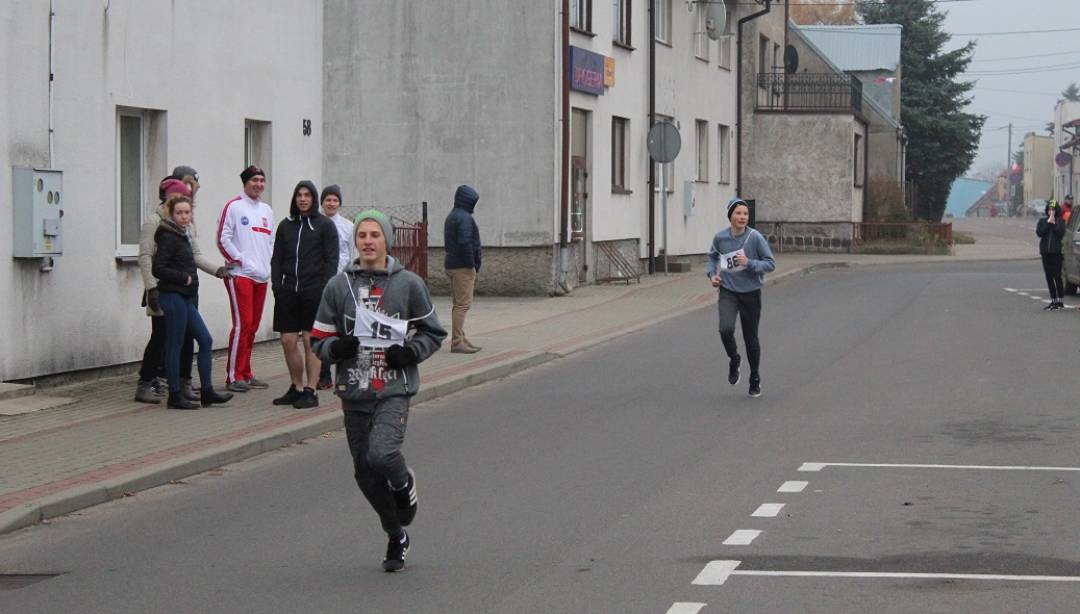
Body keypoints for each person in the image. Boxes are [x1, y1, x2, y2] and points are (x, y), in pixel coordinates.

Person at [312, 209, 446, 572]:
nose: (368, 242)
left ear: (387, 240)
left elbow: (433, 332)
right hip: (354, 391)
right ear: (355, 242)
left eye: (374, 235)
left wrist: (410, 353)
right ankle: (396, 534)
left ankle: (404, 486)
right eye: (362, 236)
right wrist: (335, 350)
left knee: (383, 454)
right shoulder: (339, 286)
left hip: (392, 388)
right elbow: (319, 338)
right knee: (365, 474)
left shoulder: (408, 284)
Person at [152, 195, 234, 409]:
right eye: (179, 212)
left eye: (187, 212)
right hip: (172, 295)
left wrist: (215, 271)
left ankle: (207, 391)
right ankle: (175, 395)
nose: (184, 216)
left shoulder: (183, 234)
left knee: (205, 340)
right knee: (175, 345)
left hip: (185, 296)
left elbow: (192, 260)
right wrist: (183, 278)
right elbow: (157, 268)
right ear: (171, 213)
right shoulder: (167, 235)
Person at [269, 181, 339, 409]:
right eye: (299, 195)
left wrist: (324, 288)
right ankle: (296, 387)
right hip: (288, 291)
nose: (303, 199)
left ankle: (311, 389)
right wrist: (277, 287)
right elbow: (277, 258)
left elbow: (332, 260)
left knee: (311, 341)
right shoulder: (285, 226)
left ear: (313, 198)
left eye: (307, 195)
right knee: (288, 340)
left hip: (314, 292)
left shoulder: (325, 226)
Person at [706, 199, 776, 398]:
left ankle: (754, 377)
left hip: (751, 293)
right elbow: (711, 257)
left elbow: (770, 264)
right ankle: (734, 359)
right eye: (738, 213)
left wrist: (750, 263)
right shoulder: (720, 237)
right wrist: (712, 275)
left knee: (750, 338)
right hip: (728, 290)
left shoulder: (755, 238)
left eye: (745, 214)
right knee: (725, 328)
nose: (742, 217)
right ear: (731, 216)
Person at [217, 166, 275, 392]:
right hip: (240, 275)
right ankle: (233, 376)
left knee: (253, 326)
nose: (258, 184)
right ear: (245, 183)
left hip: (261, 277)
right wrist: (240, 260)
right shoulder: (233, 206)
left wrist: (267, 264)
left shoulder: (267, 210)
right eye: (254, 180)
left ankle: (246, 372)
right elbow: (223, 239)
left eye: (262, 180)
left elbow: (270, 242)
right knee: (242, 325)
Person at [317, 184, 354, 390]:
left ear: (339, 203)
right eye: (328, 200)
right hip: (322, 283)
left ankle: (344, 371)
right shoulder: (317, 223)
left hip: (343, 283)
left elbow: (352, 254)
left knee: (343, 329)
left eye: (335, 200)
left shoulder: (348, 226)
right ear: (322, 203)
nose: (331, 203)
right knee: (324, 329)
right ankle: (323, 373)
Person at [443, 184, 482, 354]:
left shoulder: (452, 216)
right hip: (462, 266)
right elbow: (466, 243)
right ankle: (457, 341)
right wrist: (472, 264)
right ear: (468, 201)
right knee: (462, 305)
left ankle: (460, 336)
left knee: (457, 304)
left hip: (452, 264)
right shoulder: (464, 218)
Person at [1037, 200, 1066, 310]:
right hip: (1045, 252)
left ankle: (1060, 300)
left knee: (1057, 276)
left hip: (1056, 252)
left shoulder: (1061, 221)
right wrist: (1048, 223)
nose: (1051, 211)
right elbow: (1040, 233)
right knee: (1048, 276)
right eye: (1049, 209)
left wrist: (1053, 224)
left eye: (1053, 209)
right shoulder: (1043, 221)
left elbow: (1060, 233)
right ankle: (1053, 299)